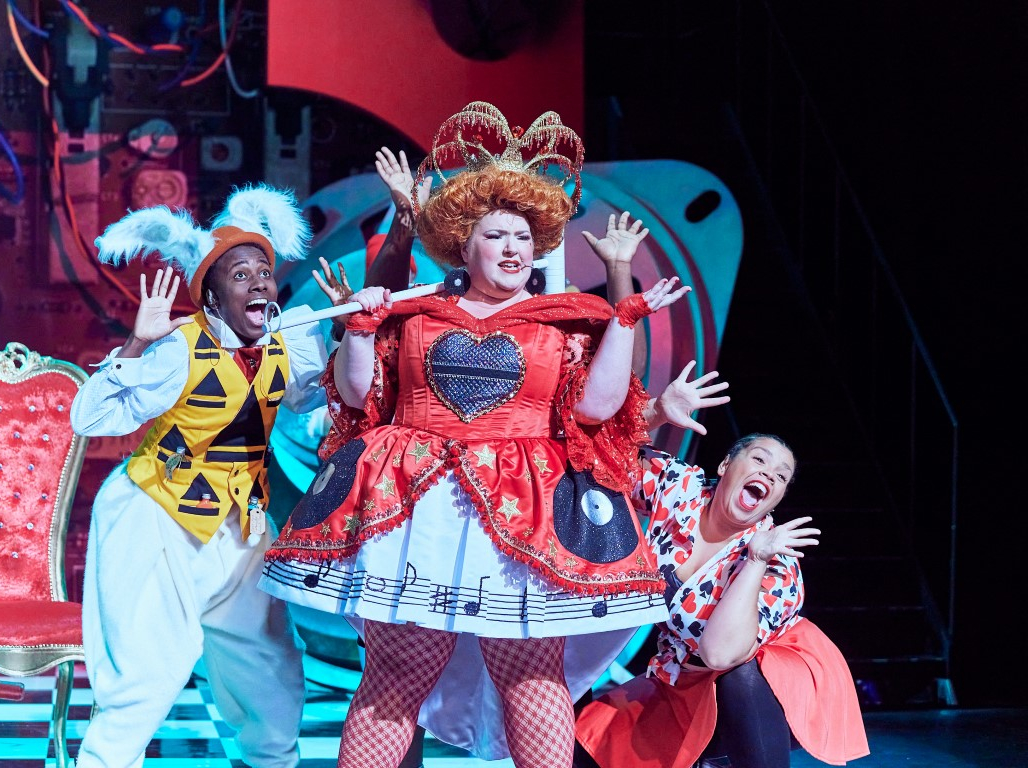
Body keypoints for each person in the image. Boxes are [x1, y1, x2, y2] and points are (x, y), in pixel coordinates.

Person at [257, 100, 693, 768]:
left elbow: (600, 410)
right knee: (397, 673)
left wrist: (625, 316)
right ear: (465, 243)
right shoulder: (416, 313)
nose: (514, 248)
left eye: (523, 236)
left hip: (527, 512)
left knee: (531, 674)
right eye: (497, 235)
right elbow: (353, 395)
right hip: (417, 508)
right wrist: (364, 329)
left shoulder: (566, 318)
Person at [70, 185, 331, 768]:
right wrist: (139, 341)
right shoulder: (181, 349)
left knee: (268, 671)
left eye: (264, 270)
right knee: (151, 668)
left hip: (239, 527)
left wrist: (356, 336)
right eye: (241, 275)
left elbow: (314, 405)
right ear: (212, 296)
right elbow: (89, 418)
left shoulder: (285, 345)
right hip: (158, 517)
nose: (260, 283)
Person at [573, 434, 871, 768]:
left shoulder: (778, 565)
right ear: (726, 465)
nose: (770, 475)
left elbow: (720, 654)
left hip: (771, 681)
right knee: (585, 740)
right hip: (683, 680)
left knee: (738, 680)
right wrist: (656, 412)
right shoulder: (681, 489)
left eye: (782, 476)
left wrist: (756, 560)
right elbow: (595, 457)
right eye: (759, 460)